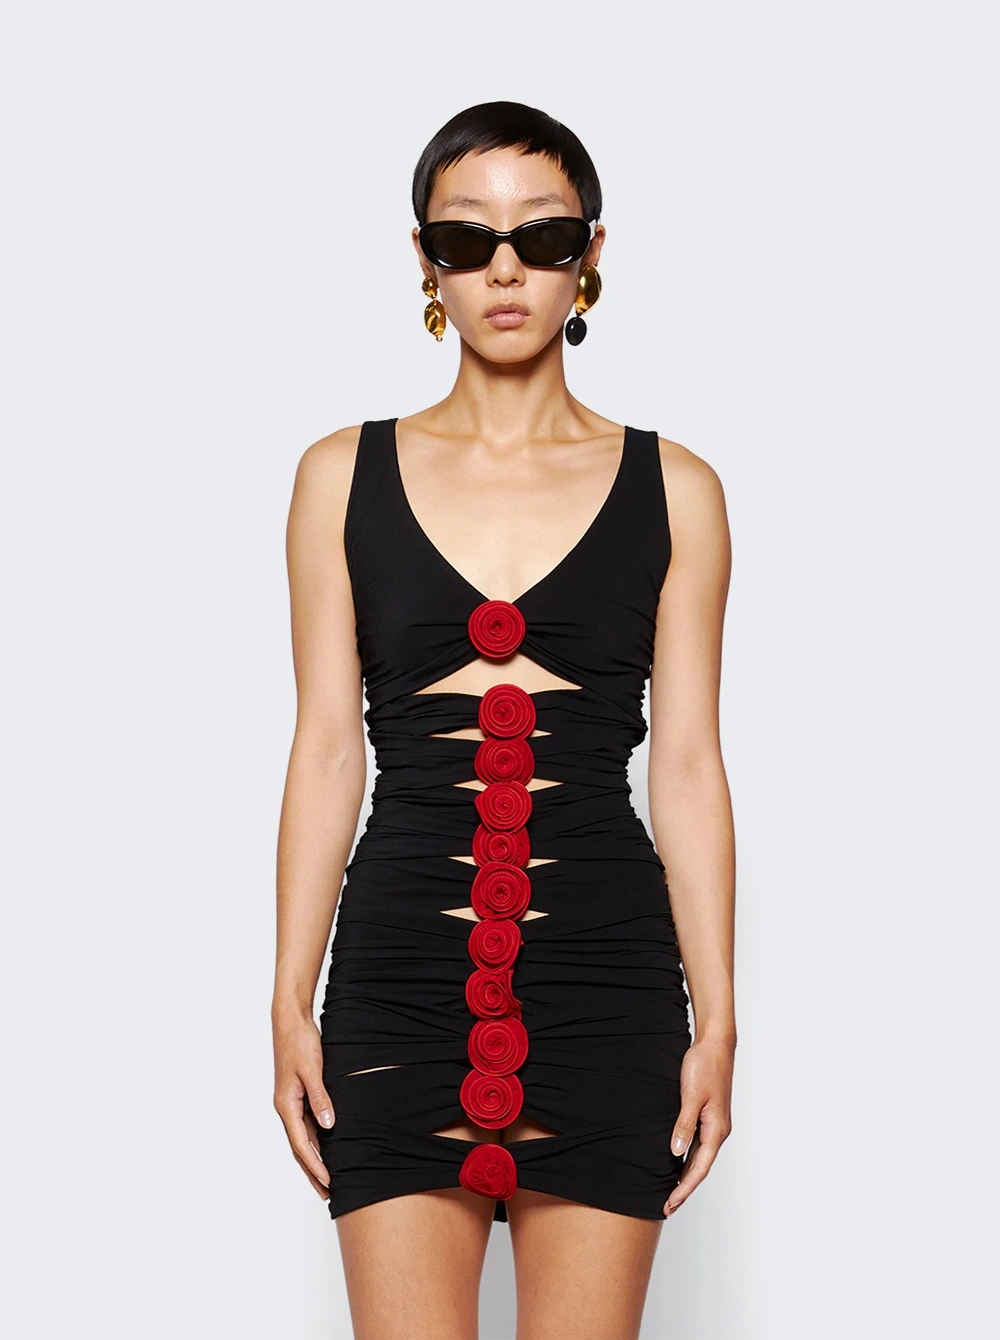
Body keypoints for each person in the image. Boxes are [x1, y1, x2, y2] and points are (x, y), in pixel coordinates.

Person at [272, 101, 736, 1340]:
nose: (506, 268)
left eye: (543, 235)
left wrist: (718, 1014)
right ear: (424, 260)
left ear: (591, 253)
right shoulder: (336, 476)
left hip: (610, 981)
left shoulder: (679, 488)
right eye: (466, 238)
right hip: (395, 982)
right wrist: (288, 994)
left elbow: (689, 763)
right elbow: (327, 748)